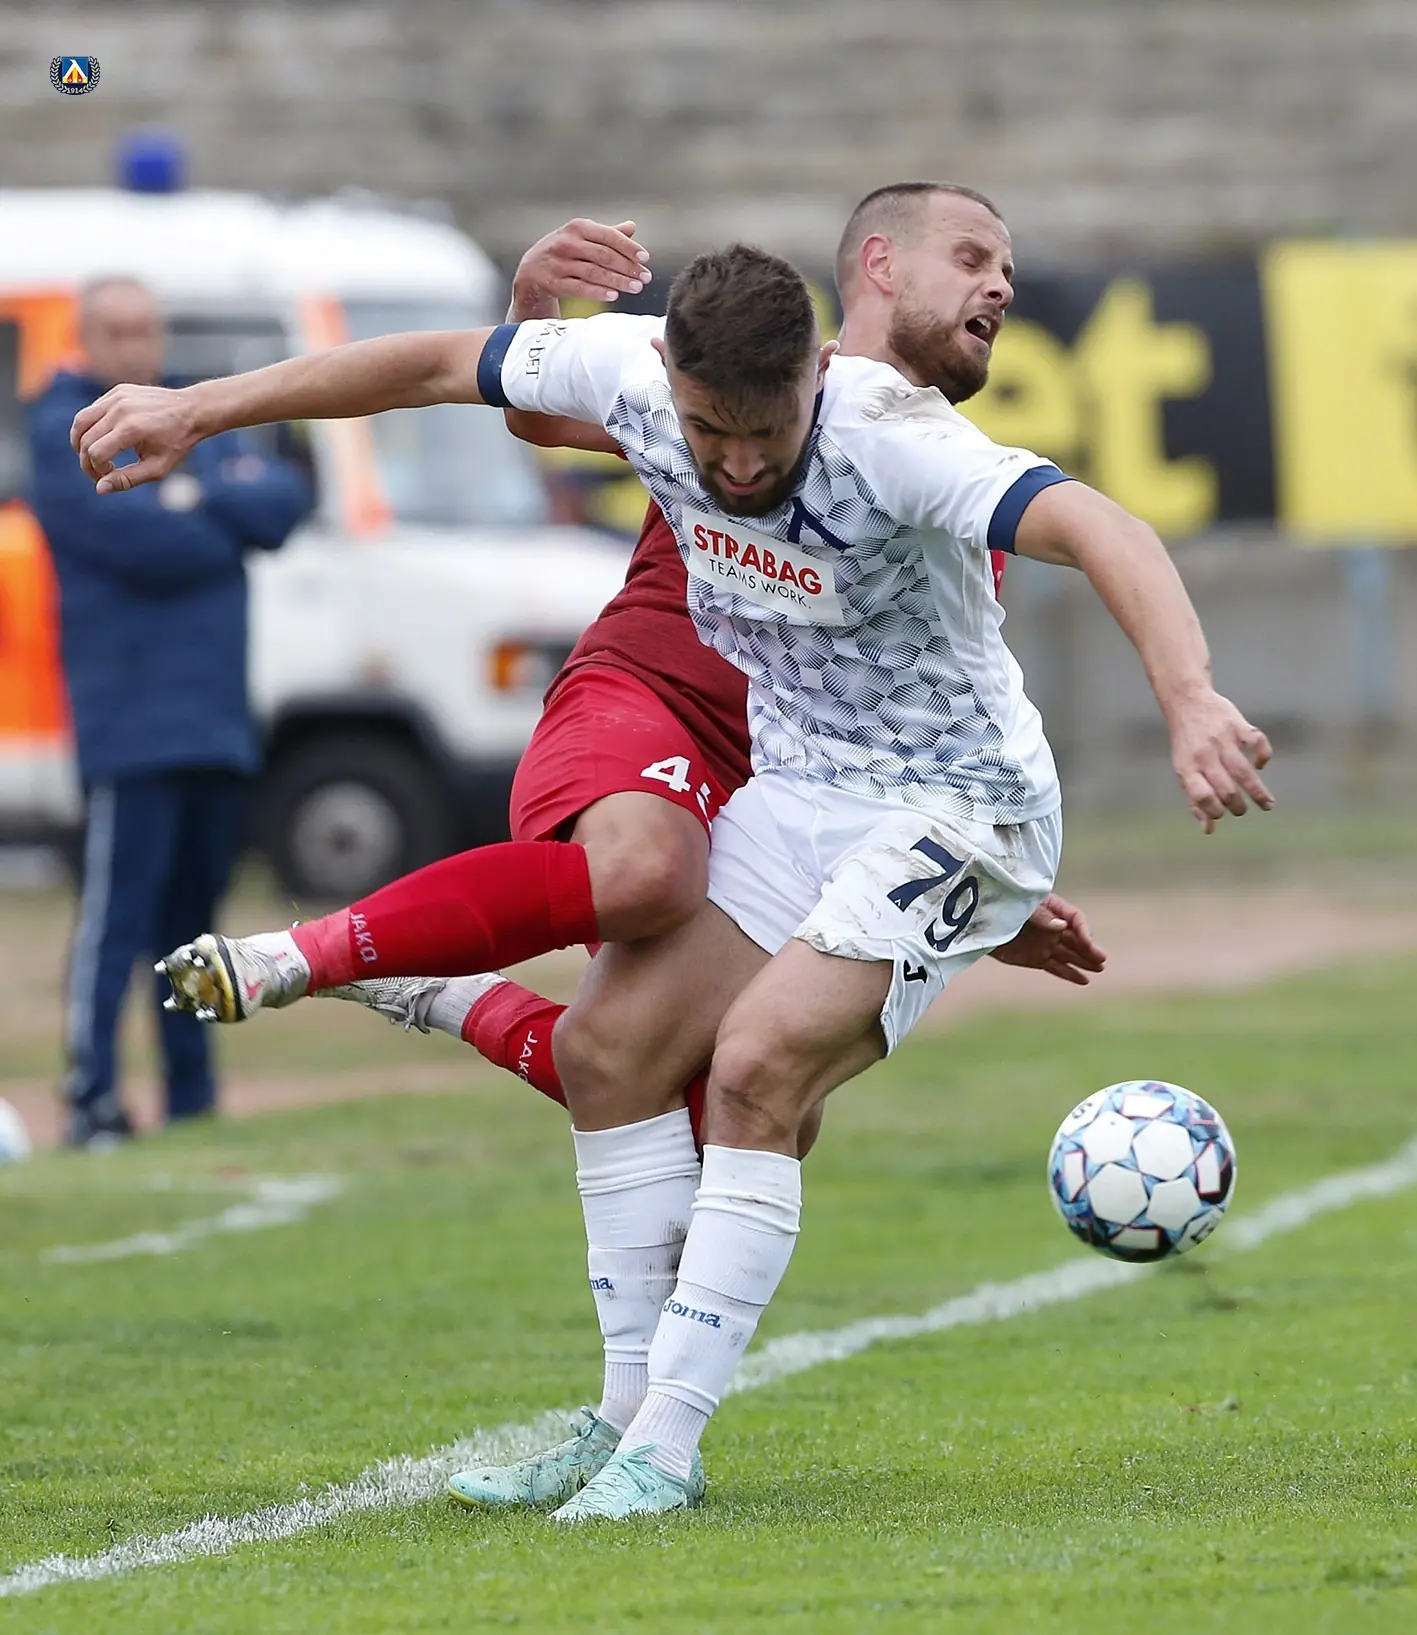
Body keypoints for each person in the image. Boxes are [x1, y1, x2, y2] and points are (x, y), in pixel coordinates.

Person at [71, 186, 1272, 1521]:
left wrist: (1189, 699)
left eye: (764, 434)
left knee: (757, 1067)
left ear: (814, 379)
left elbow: (1106, 529)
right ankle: (617, 1418)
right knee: (609, 1053)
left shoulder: (895, 438)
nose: (738, 467)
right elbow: (430, 365)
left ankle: (666, 1447)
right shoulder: (630, 373)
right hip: (802, 786)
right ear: (669, 382)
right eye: (709, 433)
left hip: (957, 811)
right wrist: (198, 408)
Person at [27, 277, 311, 1148]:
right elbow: (144, 541)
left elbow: (282, 502)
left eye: (145, 329)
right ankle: (92, 1096)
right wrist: (214, 500)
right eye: (115, 330)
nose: (134, 345)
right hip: (130, 721)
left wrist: (188, 492)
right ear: (84, 336)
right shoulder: (61, 422)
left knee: (193, 925)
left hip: (215, 716)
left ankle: (191, 1097)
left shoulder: (192, 409)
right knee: (117, 921)